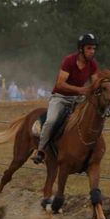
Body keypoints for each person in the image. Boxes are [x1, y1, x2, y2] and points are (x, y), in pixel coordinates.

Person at [32, 33, 99, 164]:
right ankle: (41, 150)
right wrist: (80, 90)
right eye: (89, 48)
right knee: (51, 121)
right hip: (60, 97)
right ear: (81, 49)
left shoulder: (93, 64)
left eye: (94, 48)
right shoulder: (69, 61)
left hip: (78, 99)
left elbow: (95, 84)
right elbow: (60, 84)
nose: (92, 51)